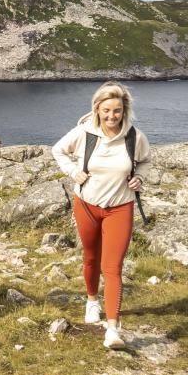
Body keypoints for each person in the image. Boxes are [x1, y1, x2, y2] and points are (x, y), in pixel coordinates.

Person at [51, 80, 151, 350]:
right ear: (97, 109)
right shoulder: (84, 133)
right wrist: (74, 172)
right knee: (91, 257)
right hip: (87, 205)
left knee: (113, 267)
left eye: (117, 110)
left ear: (124, 110)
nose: (111, 116)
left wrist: (140, 178)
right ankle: (92, 300)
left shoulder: (134, 137)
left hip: (120, 207)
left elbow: (145, 160)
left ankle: (113, 329)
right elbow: (58, 150)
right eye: (106, 110)